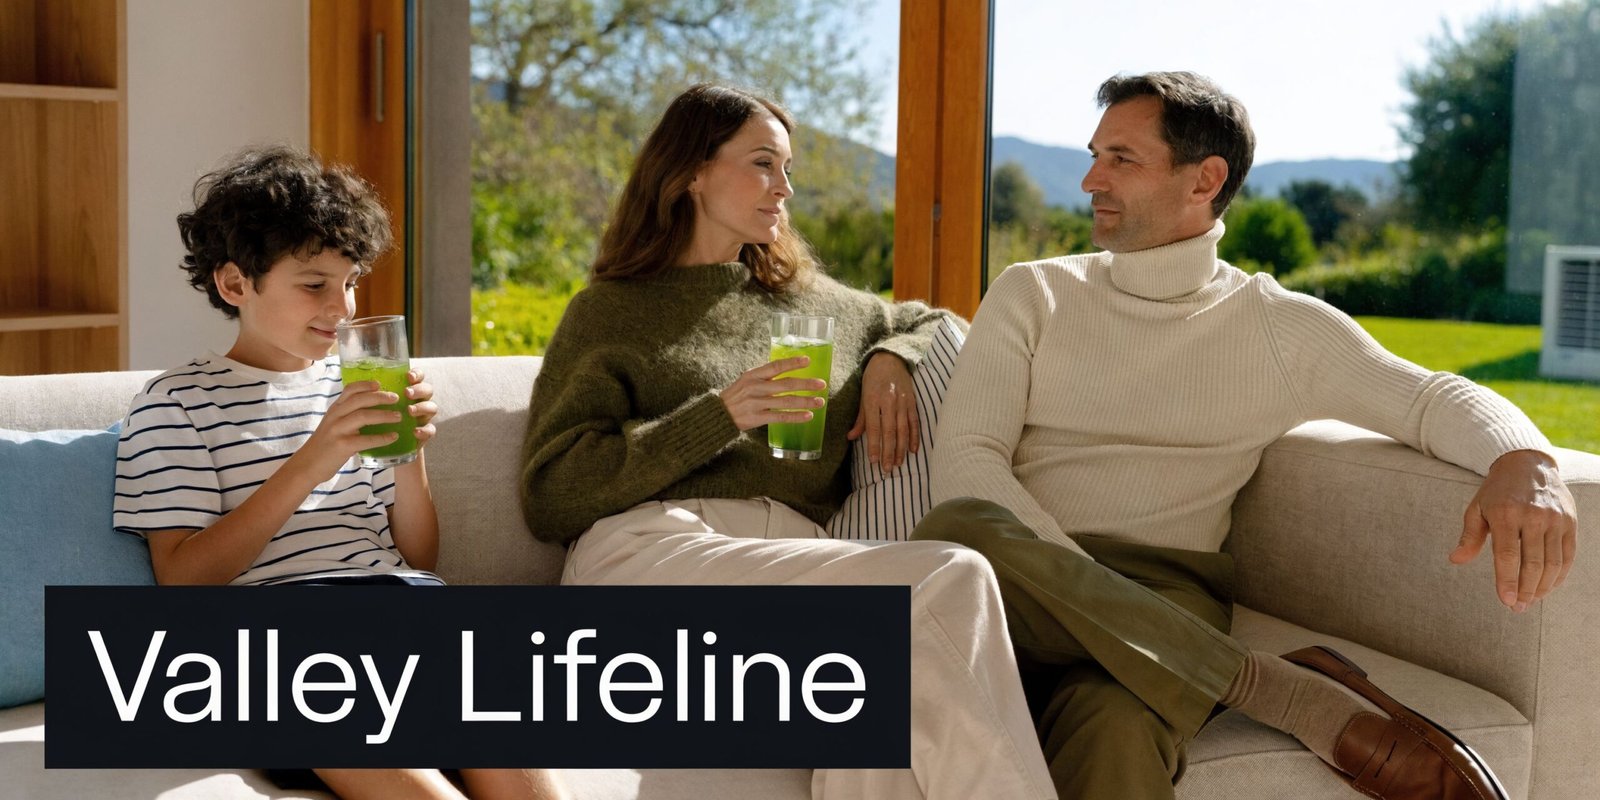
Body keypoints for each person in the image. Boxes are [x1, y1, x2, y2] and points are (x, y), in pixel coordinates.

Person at [917, 71, 1578, 800]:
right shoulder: (1033, 291)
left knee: (1117, 728)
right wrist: (1086, 598)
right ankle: (1283, 694)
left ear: (1205, 179)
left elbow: (1429, 398)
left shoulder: (1278, 326)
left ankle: (1181, 663)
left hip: (1166, 592)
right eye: (1095, 155)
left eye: (1121, 159)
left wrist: (1525, 460)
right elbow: (967, 460)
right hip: (1010, 579)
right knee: (960, 525)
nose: (1090, 180)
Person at [519, 84, 1055, 800]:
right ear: (691, 173)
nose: (785, 188)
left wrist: (891, 356)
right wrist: (721, 415)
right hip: (650, 557)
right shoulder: (609, 311)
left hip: (796, 564)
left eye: (788, 169)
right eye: (763, 164)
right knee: (949, 577)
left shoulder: (812, 306)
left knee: (883, 703)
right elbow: (550, 495)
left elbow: (928, 319)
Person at [112, 146, 569, 800]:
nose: (344, 306)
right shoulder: (175, 403)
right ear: (236, 284)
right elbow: (184, 581)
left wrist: (408, 455)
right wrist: (313, 460)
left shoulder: (355, 385)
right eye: (314, 285)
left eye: (350, 281)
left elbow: (418, 557)